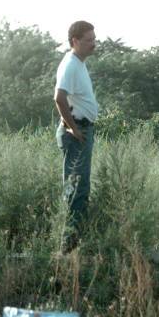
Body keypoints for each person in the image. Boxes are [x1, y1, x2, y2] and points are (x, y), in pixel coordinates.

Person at [54, 21, 99, 253]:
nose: (94, 43)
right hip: (77, 133)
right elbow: (59, 98)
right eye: (89, 40)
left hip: (82, 130)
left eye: (94, 38)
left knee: (80, 188)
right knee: (75, 190)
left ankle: (73, 244)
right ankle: (68, 248)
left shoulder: (79, 64)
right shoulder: (71, 65)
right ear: (75, 41)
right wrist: (72, 128)